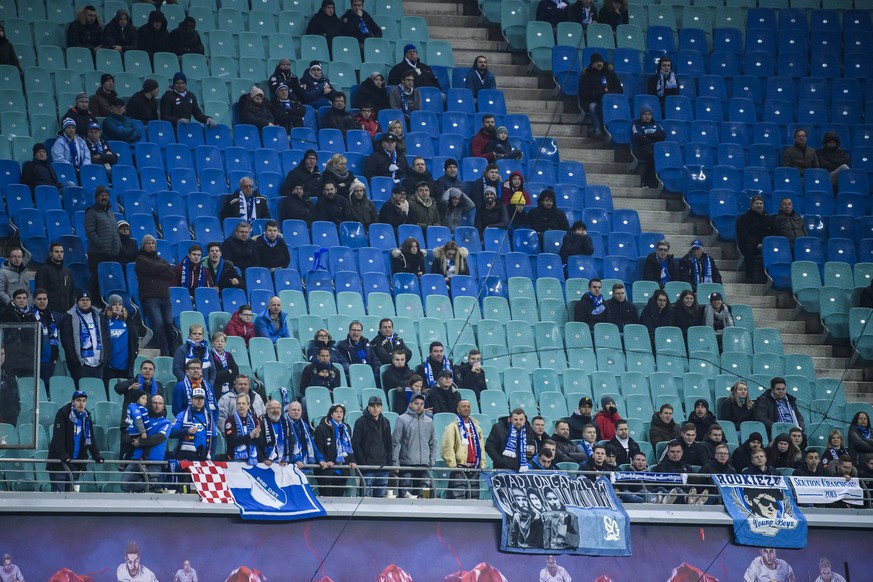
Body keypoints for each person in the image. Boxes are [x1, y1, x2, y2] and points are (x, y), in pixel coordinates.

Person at [48, 390, 104, 492]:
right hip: (59, 464)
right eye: (78, 400)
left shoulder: (86, 416)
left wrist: (97, 456)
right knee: (58, 497)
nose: (81, 404)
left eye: (84, 401)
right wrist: (63, 455)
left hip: (76, 463)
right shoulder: (63, 413)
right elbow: (58, 437)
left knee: (72, 498)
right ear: (72, 401)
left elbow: (90, 438)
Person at [121, 394, 172, 492]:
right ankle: (152, 486)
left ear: (163, 406)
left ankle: (153, 487)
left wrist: (140, 442)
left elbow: (159, 438)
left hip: (154, 460)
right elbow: (128, 434)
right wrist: (133, 440)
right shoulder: (142, 420)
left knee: (152, 486)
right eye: (155, 403)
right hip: (136, 458)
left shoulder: (166, 422)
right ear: (150, 404)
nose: (157, 405)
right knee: (125, 485)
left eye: (160, 403)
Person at [134, 235, 175, 356]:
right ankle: (164, 350)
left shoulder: (160, 260)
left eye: (152, 243)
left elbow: (171, 275)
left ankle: (172, 350)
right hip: (150, 297)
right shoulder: (141, 259)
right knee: (158, 324)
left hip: (165, 297)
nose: (151, 245)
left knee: (168, 323)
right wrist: (164, 268)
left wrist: (158, 270)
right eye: (148, 243)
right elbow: (160, 268)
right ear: (143, 245)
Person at [60, 290, 109, 388]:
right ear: (77, 302)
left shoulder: (99, 316)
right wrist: (75, 359)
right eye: (82, 300)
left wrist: (106, 357)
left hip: (98, 362)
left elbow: (106, 338)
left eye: (87, 300)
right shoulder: (69, 318)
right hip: (81, 364)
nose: (85, 302)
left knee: (97, 391)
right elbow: (67, 342)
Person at [352, 395, 392, 497]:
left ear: (381, 408)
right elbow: (356, 444)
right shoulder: (360, 422)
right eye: (373, 406)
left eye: (378, 406)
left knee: (380, 501)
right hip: (367, 468)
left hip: (382, 467)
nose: (375, 408)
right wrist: (363, 463)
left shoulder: (386, 422)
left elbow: (389, 443)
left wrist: (388, 464)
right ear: (368, 407)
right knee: (365, 499)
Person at [313, 403, 356, 496]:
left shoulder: (346, 428)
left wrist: (352, 460)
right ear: (331, 414)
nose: (339, 414)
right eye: (336, 411)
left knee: (339, 501)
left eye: (341, 412)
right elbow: (318, 448)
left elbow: (349, 446)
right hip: (327, 471)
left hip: (342, 471)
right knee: (327, 500)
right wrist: (326, 461)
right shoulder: (321, 428)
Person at [578, 52, 622, 137]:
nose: (599, 64)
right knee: (593, 106)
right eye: (596, 62)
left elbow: (619, 89)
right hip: (595, 101)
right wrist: (597, 94)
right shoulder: (587, 75)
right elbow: (584, 93)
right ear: (592, 64)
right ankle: (597, 129)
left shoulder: (610, 74)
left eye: (600, 62)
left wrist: (608, 94)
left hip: (610, 101)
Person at [101, 294, 138, 388]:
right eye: (114, 304)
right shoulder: (104, 320)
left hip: (125, 365)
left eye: (119, 304)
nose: (117, 307)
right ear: (110, 306)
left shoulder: (128, 320)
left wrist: (134, 353)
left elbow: (135, 339)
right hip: (109, 365)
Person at [32, 289, 61, 399]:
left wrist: (55, 356)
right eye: (39, 299)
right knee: (37, 392)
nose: (42, 301)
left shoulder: (51, 317)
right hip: (36, 361)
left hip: (49, 361)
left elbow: (55, 338)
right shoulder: (30, 315)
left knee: (48, 391)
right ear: (34, 301)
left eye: (44, 299)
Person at [736, 194, 770, 283]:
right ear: (752, 205)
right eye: (756, 203)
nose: (759, 205)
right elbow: (744, 235)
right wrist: (757, 244)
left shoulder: (767, 218)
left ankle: (767, 277)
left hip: (765, 244)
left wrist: (766, 244)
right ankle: (749, 277)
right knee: (749, 248)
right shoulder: (744, 218)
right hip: (750, 244)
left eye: (761, 203)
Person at [286, 400, 328, 470]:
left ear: (301, 411)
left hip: (303, 461)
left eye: (298, 410)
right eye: (294, 410)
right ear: (288, 411)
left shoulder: (304, 425)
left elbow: (311, 443)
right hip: (289, 463)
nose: (296, 412)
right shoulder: (283, 424)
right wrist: (295, 460)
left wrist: (320, 459)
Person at [631, 105, 666, 188]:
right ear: (641, 115)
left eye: (649, 114)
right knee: (652, 156)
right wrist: (654, 137)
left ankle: (657, 182)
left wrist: (647, 136)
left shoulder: (657, 125)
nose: (647, 116)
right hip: (642, 149)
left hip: (656, 148)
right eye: (645, 114)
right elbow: (638, 139)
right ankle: (647, 182)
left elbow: (662, 136)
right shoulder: (637, 125)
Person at [224, 392, 261, 465]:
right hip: (234, 461)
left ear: (248, 405)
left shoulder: (255, 420)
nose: (241, 406)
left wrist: (257, 437)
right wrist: (250, 436)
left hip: (252, 460)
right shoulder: (230, 421)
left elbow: (260, 443)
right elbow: (232, 441)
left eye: (243, 403)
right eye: (239, 403)